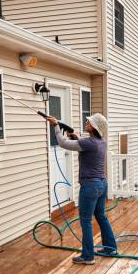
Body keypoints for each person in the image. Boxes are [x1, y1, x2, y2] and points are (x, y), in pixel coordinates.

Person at [45, 113, 117, 265]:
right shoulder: (101, 142)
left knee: (85, 220)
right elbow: (86, 147)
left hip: (90, 186)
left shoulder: (89, 143)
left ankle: (87, 256)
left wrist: (56, 126)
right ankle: (111, 248)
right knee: (101, 216)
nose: (87, 122)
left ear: (95, 127)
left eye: (89, 122)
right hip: (102, 184)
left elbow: (63, 143)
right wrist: (77, 139)